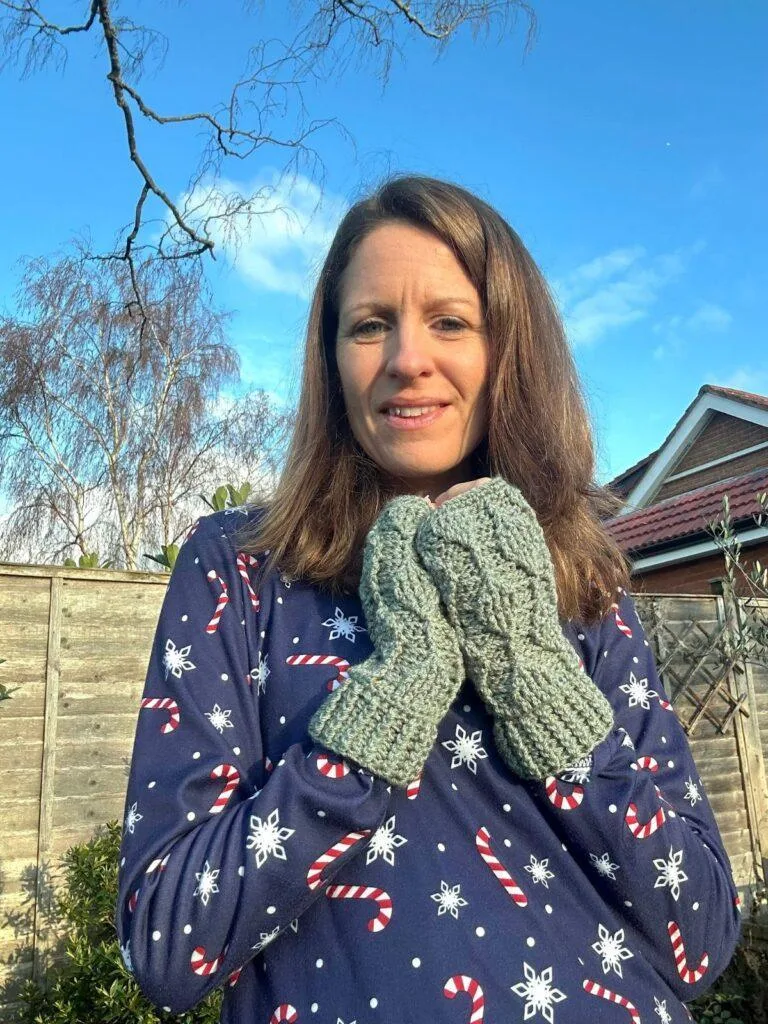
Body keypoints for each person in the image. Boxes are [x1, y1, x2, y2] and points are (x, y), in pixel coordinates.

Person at [115, 174, 741, 1023]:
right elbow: (164, 941)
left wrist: (528, 667)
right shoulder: (243, 567)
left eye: (450, 321)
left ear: (507, 351)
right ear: (332, 360)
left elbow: (699, 940)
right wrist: (391, 699)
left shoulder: (583, 576)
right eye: (371, 324)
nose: (408, 358)